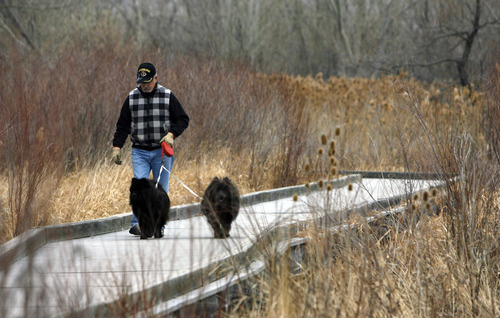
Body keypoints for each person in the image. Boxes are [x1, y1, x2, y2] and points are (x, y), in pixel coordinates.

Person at [112, 62, 189, 235]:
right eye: (142, 82)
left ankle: (158, 226)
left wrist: (172, 134)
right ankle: (138, 223)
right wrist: (117, 146)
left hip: (161, 151)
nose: (145, 85)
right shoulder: (132, 98)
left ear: (156, 78)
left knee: (160, 188)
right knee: (139, 186)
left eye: (148, 81)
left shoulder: (167, 96)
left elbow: (183, 119)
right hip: (139, 150)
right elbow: (122, 125)